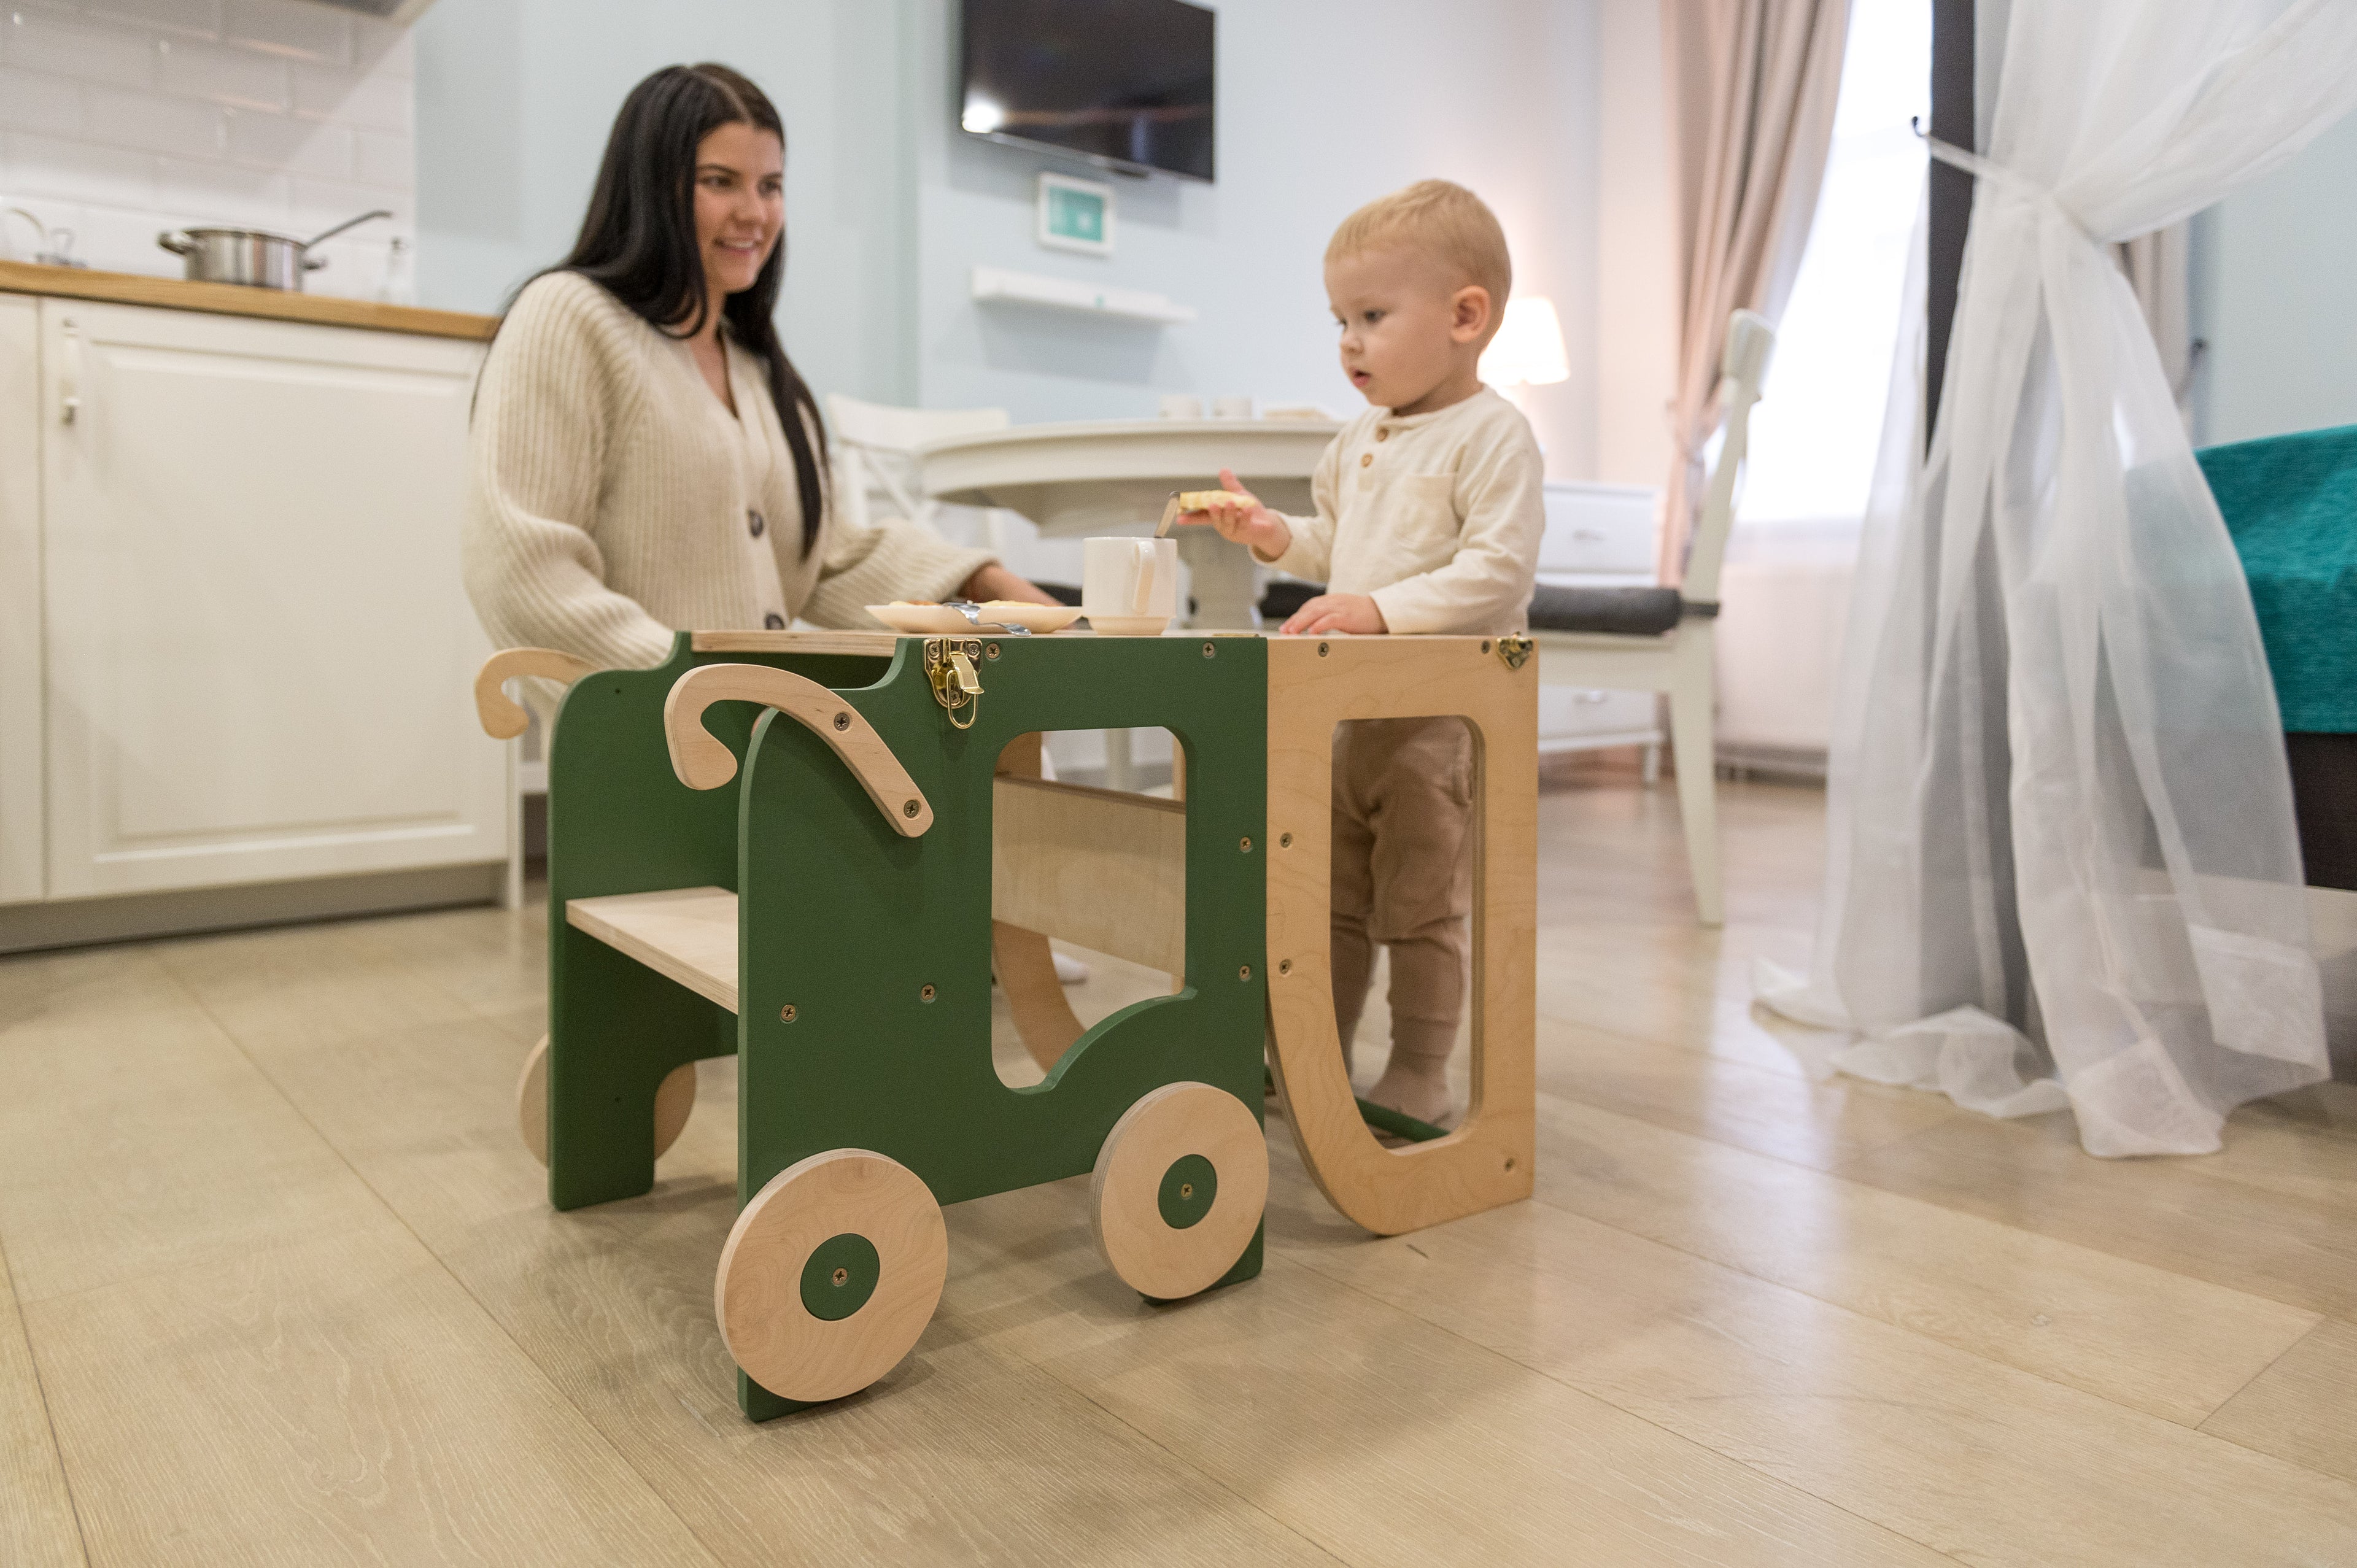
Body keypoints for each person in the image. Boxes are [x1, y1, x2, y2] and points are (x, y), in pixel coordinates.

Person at [463, 63, 1051, 679]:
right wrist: (690, 684)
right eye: (721, 182)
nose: (755, 213)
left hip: (755, 734)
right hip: (651, 744)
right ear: (651, 187)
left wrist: (981, 580)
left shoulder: (759, 369)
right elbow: (518, 567)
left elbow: (823, 557)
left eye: (771, 186)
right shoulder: (568, 318)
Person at [1179, 179, 1544, 1125]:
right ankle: (1315, 1052)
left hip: (1435, 719)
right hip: (1342, 718)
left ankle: (1421, 1067)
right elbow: (1334, 553)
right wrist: (1268, 533)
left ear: (1467, 316)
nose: (1349, 341)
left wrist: (1380, 610)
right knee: (1328, 899)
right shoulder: (1354, 443)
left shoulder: (1493, 436)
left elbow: (1495, 575)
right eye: (1340, 318)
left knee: (1419, 904)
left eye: (1373, 316)